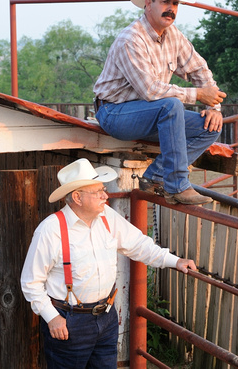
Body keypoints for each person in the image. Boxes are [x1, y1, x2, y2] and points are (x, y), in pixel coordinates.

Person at [21, 158, 196, 369]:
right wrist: (52, 318)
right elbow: (31, 282)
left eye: (103, 189)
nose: (105, 195)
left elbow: (139, 245)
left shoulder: (107, 217)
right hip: (69, 322)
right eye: (98, 192)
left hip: (106, 317)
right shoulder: (51, 230)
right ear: (77, 197)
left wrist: (175, 261)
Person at [93, 0, 227, 205]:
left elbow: (200, 70)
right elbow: (150, 91)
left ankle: (155, 175)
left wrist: (213, 106)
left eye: (175, 4)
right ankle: (178, 185)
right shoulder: (131, 38)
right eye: (165, 2)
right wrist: (197, 95)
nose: (171, 9)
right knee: (170, 104)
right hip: (115, 114)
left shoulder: (174, 35)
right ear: (148, 4)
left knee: (210, 126)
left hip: (152, 113)